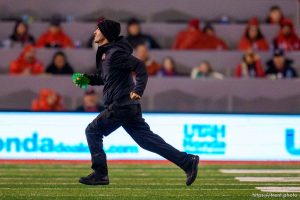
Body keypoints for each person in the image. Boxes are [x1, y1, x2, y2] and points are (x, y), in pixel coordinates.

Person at [74, 19, 199, 186]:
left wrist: (138, 90)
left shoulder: (115, 53)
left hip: (121, 105)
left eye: (97, 29)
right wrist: (87, 79)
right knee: (147, 141)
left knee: (93, 131)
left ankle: (100, 173)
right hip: (127, 106)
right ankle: (187, 161)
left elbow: (140, 66)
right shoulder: (108, 54)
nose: (94, 32)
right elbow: (106, 78)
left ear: (105, 33)